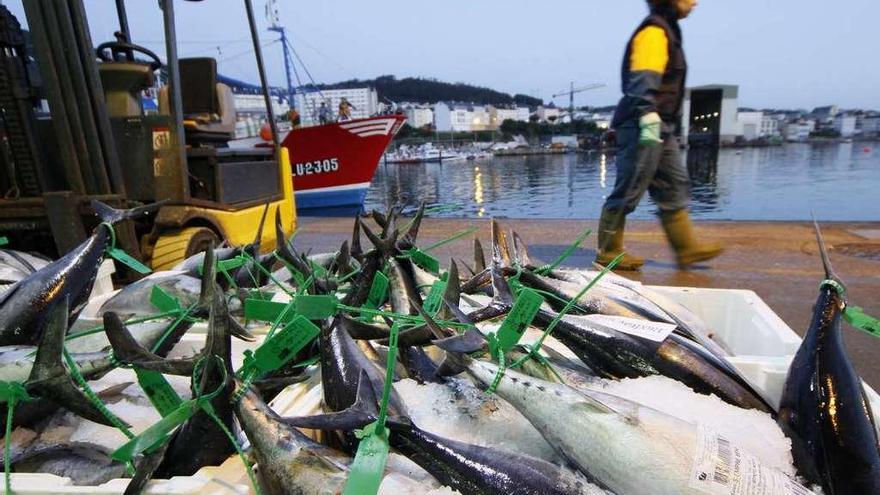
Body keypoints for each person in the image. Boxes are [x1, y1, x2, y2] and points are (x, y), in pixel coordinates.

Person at [596, 0, 722, 271]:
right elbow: (643, 78)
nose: (695, 2)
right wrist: (647, 113)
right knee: (631, 184)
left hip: (661, 124)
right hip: (644, 121)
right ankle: (608, 251)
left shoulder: (668, 30)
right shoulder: (654, 32)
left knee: (675, 184)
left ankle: (686, 249)